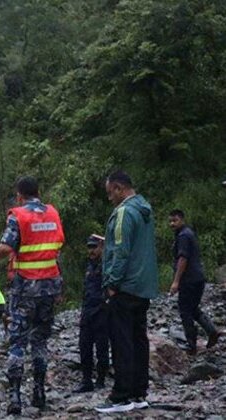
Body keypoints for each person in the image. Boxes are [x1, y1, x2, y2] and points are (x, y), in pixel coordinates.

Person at [0, 176, 65, 415]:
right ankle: (39, 392)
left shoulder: (18, 215)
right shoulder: (52, 213)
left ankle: (15, 396)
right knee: (40, 340)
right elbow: (58, 246)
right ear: (38, 192)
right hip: (49, 288)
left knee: (18, 342)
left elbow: (7, 247)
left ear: (19, 196)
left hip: (25, 291)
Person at [95, 170, 158, 414]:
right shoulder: (145, 210)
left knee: (121, 341)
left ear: (120, 188)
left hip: (124, 286)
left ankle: (121, 396)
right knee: (138, 339)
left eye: (111, 193)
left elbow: (121, 251)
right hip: (143, 287)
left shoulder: (123, 213)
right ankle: (138, 392)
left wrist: (112, 283)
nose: (110, 198)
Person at [168, 209, 219, 354]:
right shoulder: (187, 233)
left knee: (185, 311)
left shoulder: (183, 236)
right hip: (198, 278)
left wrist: (176, 281)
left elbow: (183, 259)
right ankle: (212, 331)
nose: (172, 224)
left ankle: (191, 345)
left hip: (189, 279)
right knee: (193, 308)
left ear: (182, 220)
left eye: (175, 220)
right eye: (170, 221)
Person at [74, 235, 109, 393]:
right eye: (90, 247)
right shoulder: (89, 265)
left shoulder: (107, 264)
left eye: (94, 247)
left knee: (102, 347)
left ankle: (101, 380)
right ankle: (86, 380)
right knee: (84, 346)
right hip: (87, 310)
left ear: (101, 247)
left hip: (101, 311)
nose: (91, 250)